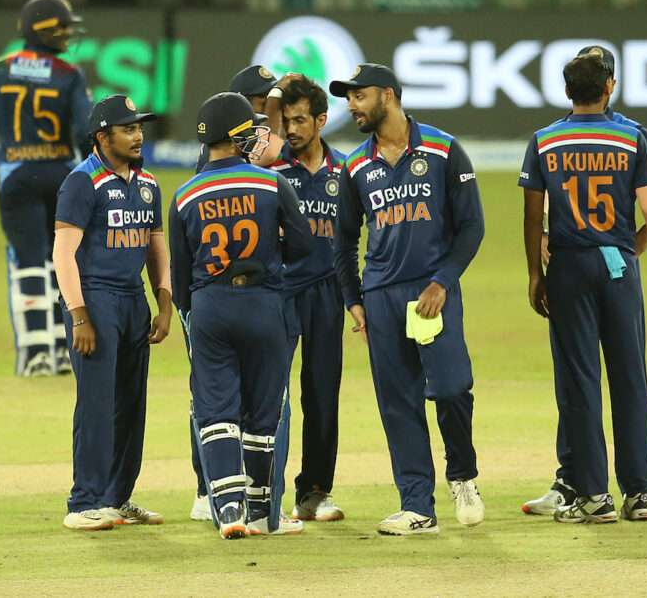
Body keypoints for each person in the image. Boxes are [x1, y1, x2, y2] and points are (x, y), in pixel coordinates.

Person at [523, 45, 647, 516]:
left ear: (565, 91)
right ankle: (639, 493)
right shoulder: (630, 137)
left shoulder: (544, 139)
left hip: (567, 267)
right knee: (629, 379)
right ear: (610, 88)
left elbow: (533, 215)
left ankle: (592, 496)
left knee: (579, 382)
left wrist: (534, 274)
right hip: (618, 266)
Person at [331, 63, 486, 535]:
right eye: (348, 98)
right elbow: (342, 241)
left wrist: (442, 281)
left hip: (431, 293)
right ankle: (418, 504)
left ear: (389, 96)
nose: (352, 105)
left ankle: (461, 475)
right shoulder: (356, 164)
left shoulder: (442, 149)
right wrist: (353, 299)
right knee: (397, 402)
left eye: (360, 96)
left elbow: (472, 225)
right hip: (380, 295)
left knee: (452, 388)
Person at [169, 92, 313, 539]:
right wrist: (270, 257)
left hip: (210, 306)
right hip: (264, 305)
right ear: (235, 137)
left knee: (215, 411)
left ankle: (228, 511)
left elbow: (178, 276)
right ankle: (262, 516)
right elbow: (306, 245)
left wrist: (198, 314)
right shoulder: (271, 183)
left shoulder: (183, 193)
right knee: (263, 413)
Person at [0, 0, 93, 377]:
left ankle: (35, 355)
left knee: (28, 262)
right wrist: (93, 171)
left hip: (16, 175)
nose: (68, 34)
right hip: (63, 175)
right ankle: (66, 349)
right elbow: (84, 131)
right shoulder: (68, 74)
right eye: (63, 27)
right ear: (45, 30)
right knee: (64, 260)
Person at [52, 94, 171, 530]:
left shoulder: (147, 184)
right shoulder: (82, 182)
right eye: (128, 129)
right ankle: (83, 502)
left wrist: (164, 300)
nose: (138, 135)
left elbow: (155, 244)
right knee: (96, 404)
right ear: (103, 137)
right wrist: (78, 314)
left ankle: (118, 497)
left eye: (139, 127)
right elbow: (63, 254)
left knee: (130, 405)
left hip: (133, 300)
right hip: (96, 300)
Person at [187, 64, 288, 521]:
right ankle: (216, 495)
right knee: (231, 402)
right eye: (264, 102)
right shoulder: (249, 164)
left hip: (210, 300)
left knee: (216, 400)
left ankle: (223, 499)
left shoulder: (202, 174)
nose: (269, 113)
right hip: (248, 297)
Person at [270, 76, 347, 523]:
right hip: (279, 290)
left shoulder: (345, 171)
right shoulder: (270, 169)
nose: (293, 128)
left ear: (321, 120)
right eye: (288, 120)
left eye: (301, 120)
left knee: (321, 395)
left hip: (326, 294)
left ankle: (313, 493)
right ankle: (264, 489)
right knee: (270, 396)